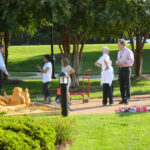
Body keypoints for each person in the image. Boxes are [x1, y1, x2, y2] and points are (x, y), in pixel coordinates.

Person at [116, 39, 134, 105]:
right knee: (121, 85)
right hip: (120, 69)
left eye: (119, 45)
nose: (118, 46)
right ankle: (123, 99)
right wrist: (117, 62)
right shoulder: (119, 52)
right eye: (118, 45)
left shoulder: (128, 51)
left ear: (123, 45)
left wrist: (124, 62)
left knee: (127, 84)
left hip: (126, 69)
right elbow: (118, 60)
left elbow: (131, 61)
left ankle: (127, 99)